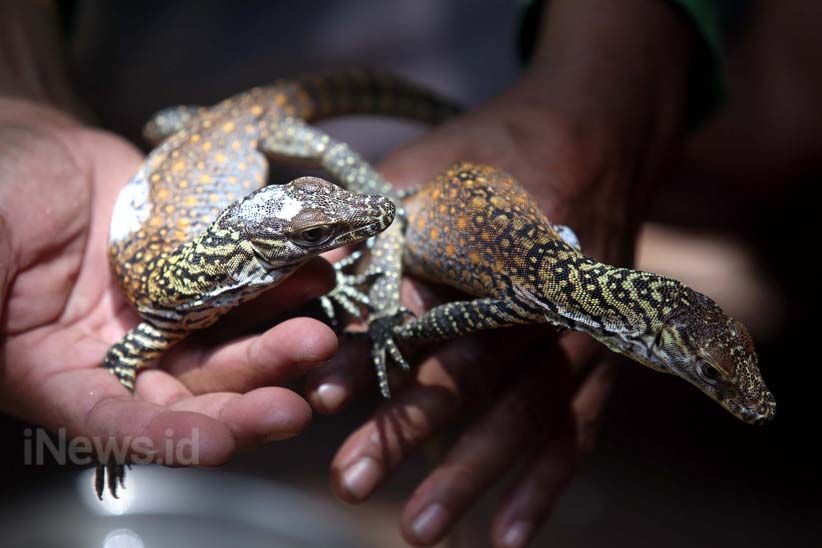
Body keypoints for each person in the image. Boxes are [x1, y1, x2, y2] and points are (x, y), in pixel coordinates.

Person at [0, 1, 719, 546]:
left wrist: (604, 101)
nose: (350, 227)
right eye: (319, 238)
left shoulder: (259, 221)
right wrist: (21, 100)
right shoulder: (163, 315)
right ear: (256, 252)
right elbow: (120, 360)